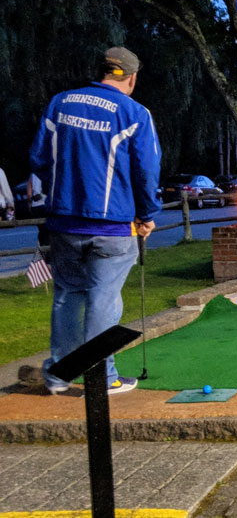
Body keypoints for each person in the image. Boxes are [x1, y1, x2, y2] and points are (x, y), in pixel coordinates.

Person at [29, 46, 161, 395]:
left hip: (63, 223)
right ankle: (102, 377)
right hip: (113, 227)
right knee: (103, 298)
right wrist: (146, 216)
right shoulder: (134, 113)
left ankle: (59, 375)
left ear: (101, 71)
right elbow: (146, 171)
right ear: (131, 78)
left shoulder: (60, 103)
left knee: (67, 295)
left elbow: (38, 158)